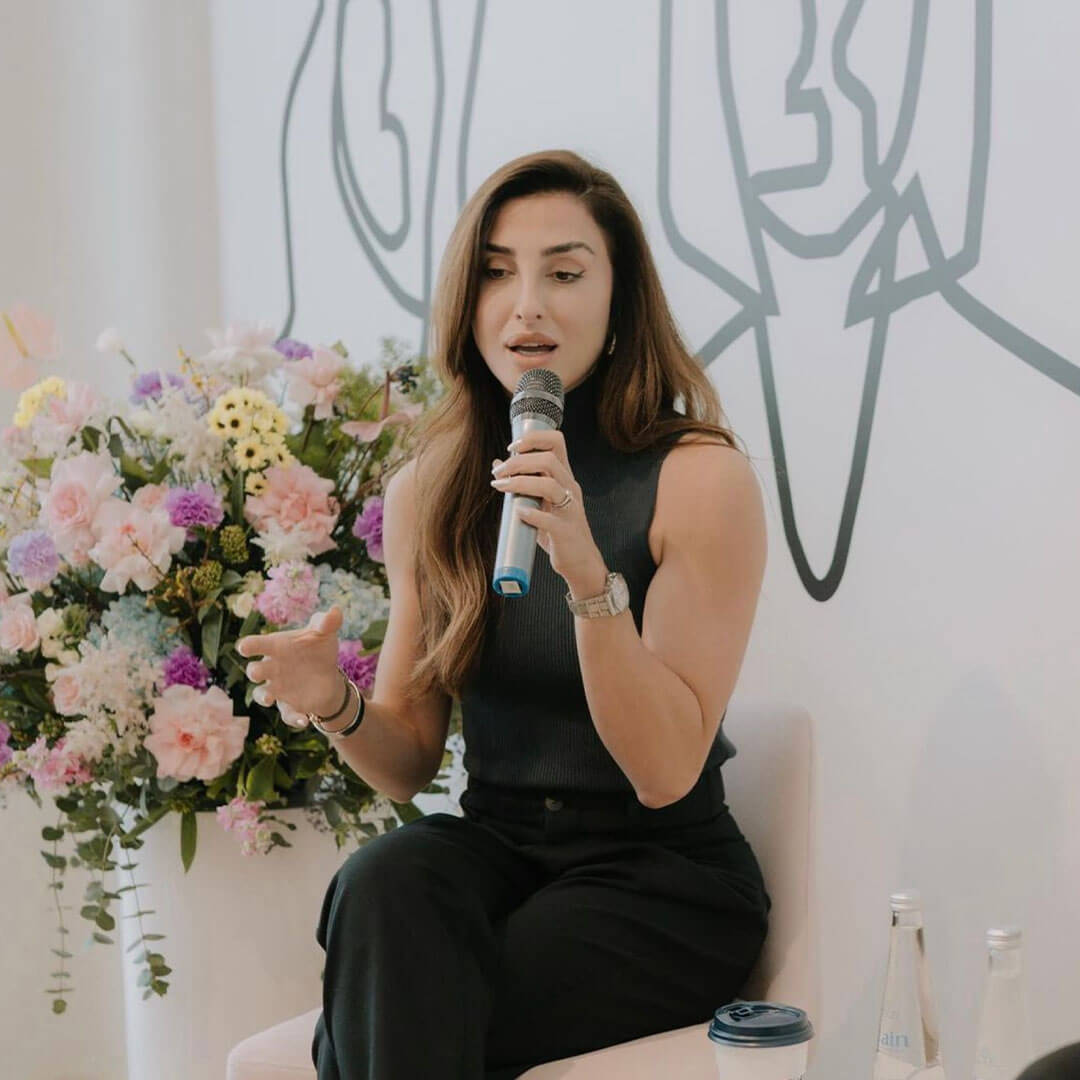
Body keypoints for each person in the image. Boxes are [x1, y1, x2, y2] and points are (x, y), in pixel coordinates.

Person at [236, 148, 771, 1079]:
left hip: (659, 880)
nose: (527, 304)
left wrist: (584, 570)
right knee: (385, 880)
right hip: (500, 855)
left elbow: (662, 769)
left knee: (408, 1001)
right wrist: (333, 701)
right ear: (465, 302)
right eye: (496, 272)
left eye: (564, 272)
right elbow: (406, 763)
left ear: (618, 302)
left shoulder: (698, 479)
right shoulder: (430, 490)